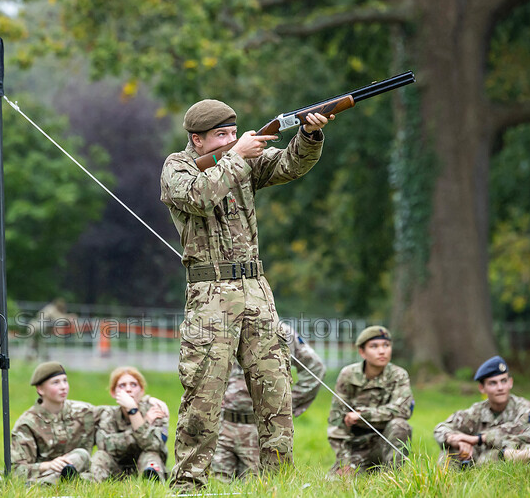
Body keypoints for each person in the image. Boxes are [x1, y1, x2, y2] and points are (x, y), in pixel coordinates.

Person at [159, 99, 333, 491]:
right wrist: (235, 157)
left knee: (276, 392)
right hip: (210, 294)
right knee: (203, 396)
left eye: (233, 134)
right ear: (197, 139)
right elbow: (198, 198)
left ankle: (277, 485)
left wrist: (309, 134)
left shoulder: (241, 159)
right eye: (221, 136)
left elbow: (289, 165)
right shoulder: (177, 167)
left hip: (256, 289)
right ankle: (188, 485)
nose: (232, 140)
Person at [212, 322, 326, 481]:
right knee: (216, 486)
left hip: (260, 428)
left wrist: (285, 403)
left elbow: (315, 369)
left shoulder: (281, 331)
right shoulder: (225, 327)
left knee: (254, 486)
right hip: (222, 425)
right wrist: (213, 395)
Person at [0, 361, 95, 484]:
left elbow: (111, 416)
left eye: (65, 381)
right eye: (55, 382)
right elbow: (17, 469)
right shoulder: (27, 423)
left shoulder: (84, 411)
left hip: (71, 467)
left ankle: (45, 483)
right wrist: (48, 465)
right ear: (40, 389)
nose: (63, 387)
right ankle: (53, 481)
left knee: (81, 455)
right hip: (37, 473)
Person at [327, 325, 414, 475]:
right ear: (362, 352)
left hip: (385, 444)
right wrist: (344, 461)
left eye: (386, 345)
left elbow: (402, 410)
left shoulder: (399, 375)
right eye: (374, 346)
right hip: (356, 449)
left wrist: (362, 415)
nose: (382, 351)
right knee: (336, 484)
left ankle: (393, 477)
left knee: (400, 425)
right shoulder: (348, 375)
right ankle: (361, 469)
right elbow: (337, 421)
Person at [433, 355, 530, 467]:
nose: (500, 387)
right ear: (482, 388)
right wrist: (456, 441)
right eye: (493, 383)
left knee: (526, 448)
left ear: (510, 382)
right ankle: (446, 482)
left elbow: (520, 430)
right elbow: (440, 428)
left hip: (505, 459)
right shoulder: (477, 411)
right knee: (449, 450)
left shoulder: (524, 407)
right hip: (477, 461)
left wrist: (477, 439)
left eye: (503, 381)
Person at [89, 366, 170, 482]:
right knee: (100, 456)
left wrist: (134, 412)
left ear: (141, 390)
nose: (128, 389)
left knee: (151, 455)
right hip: (116, 469)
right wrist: (144, 422)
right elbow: (105, 446)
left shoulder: (155, 411)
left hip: (145, 464)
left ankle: (151, 485)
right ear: (113, 392)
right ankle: (93, 488)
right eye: (122, 385)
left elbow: (155, 446)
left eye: (133, 385)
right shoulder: (108, 415)